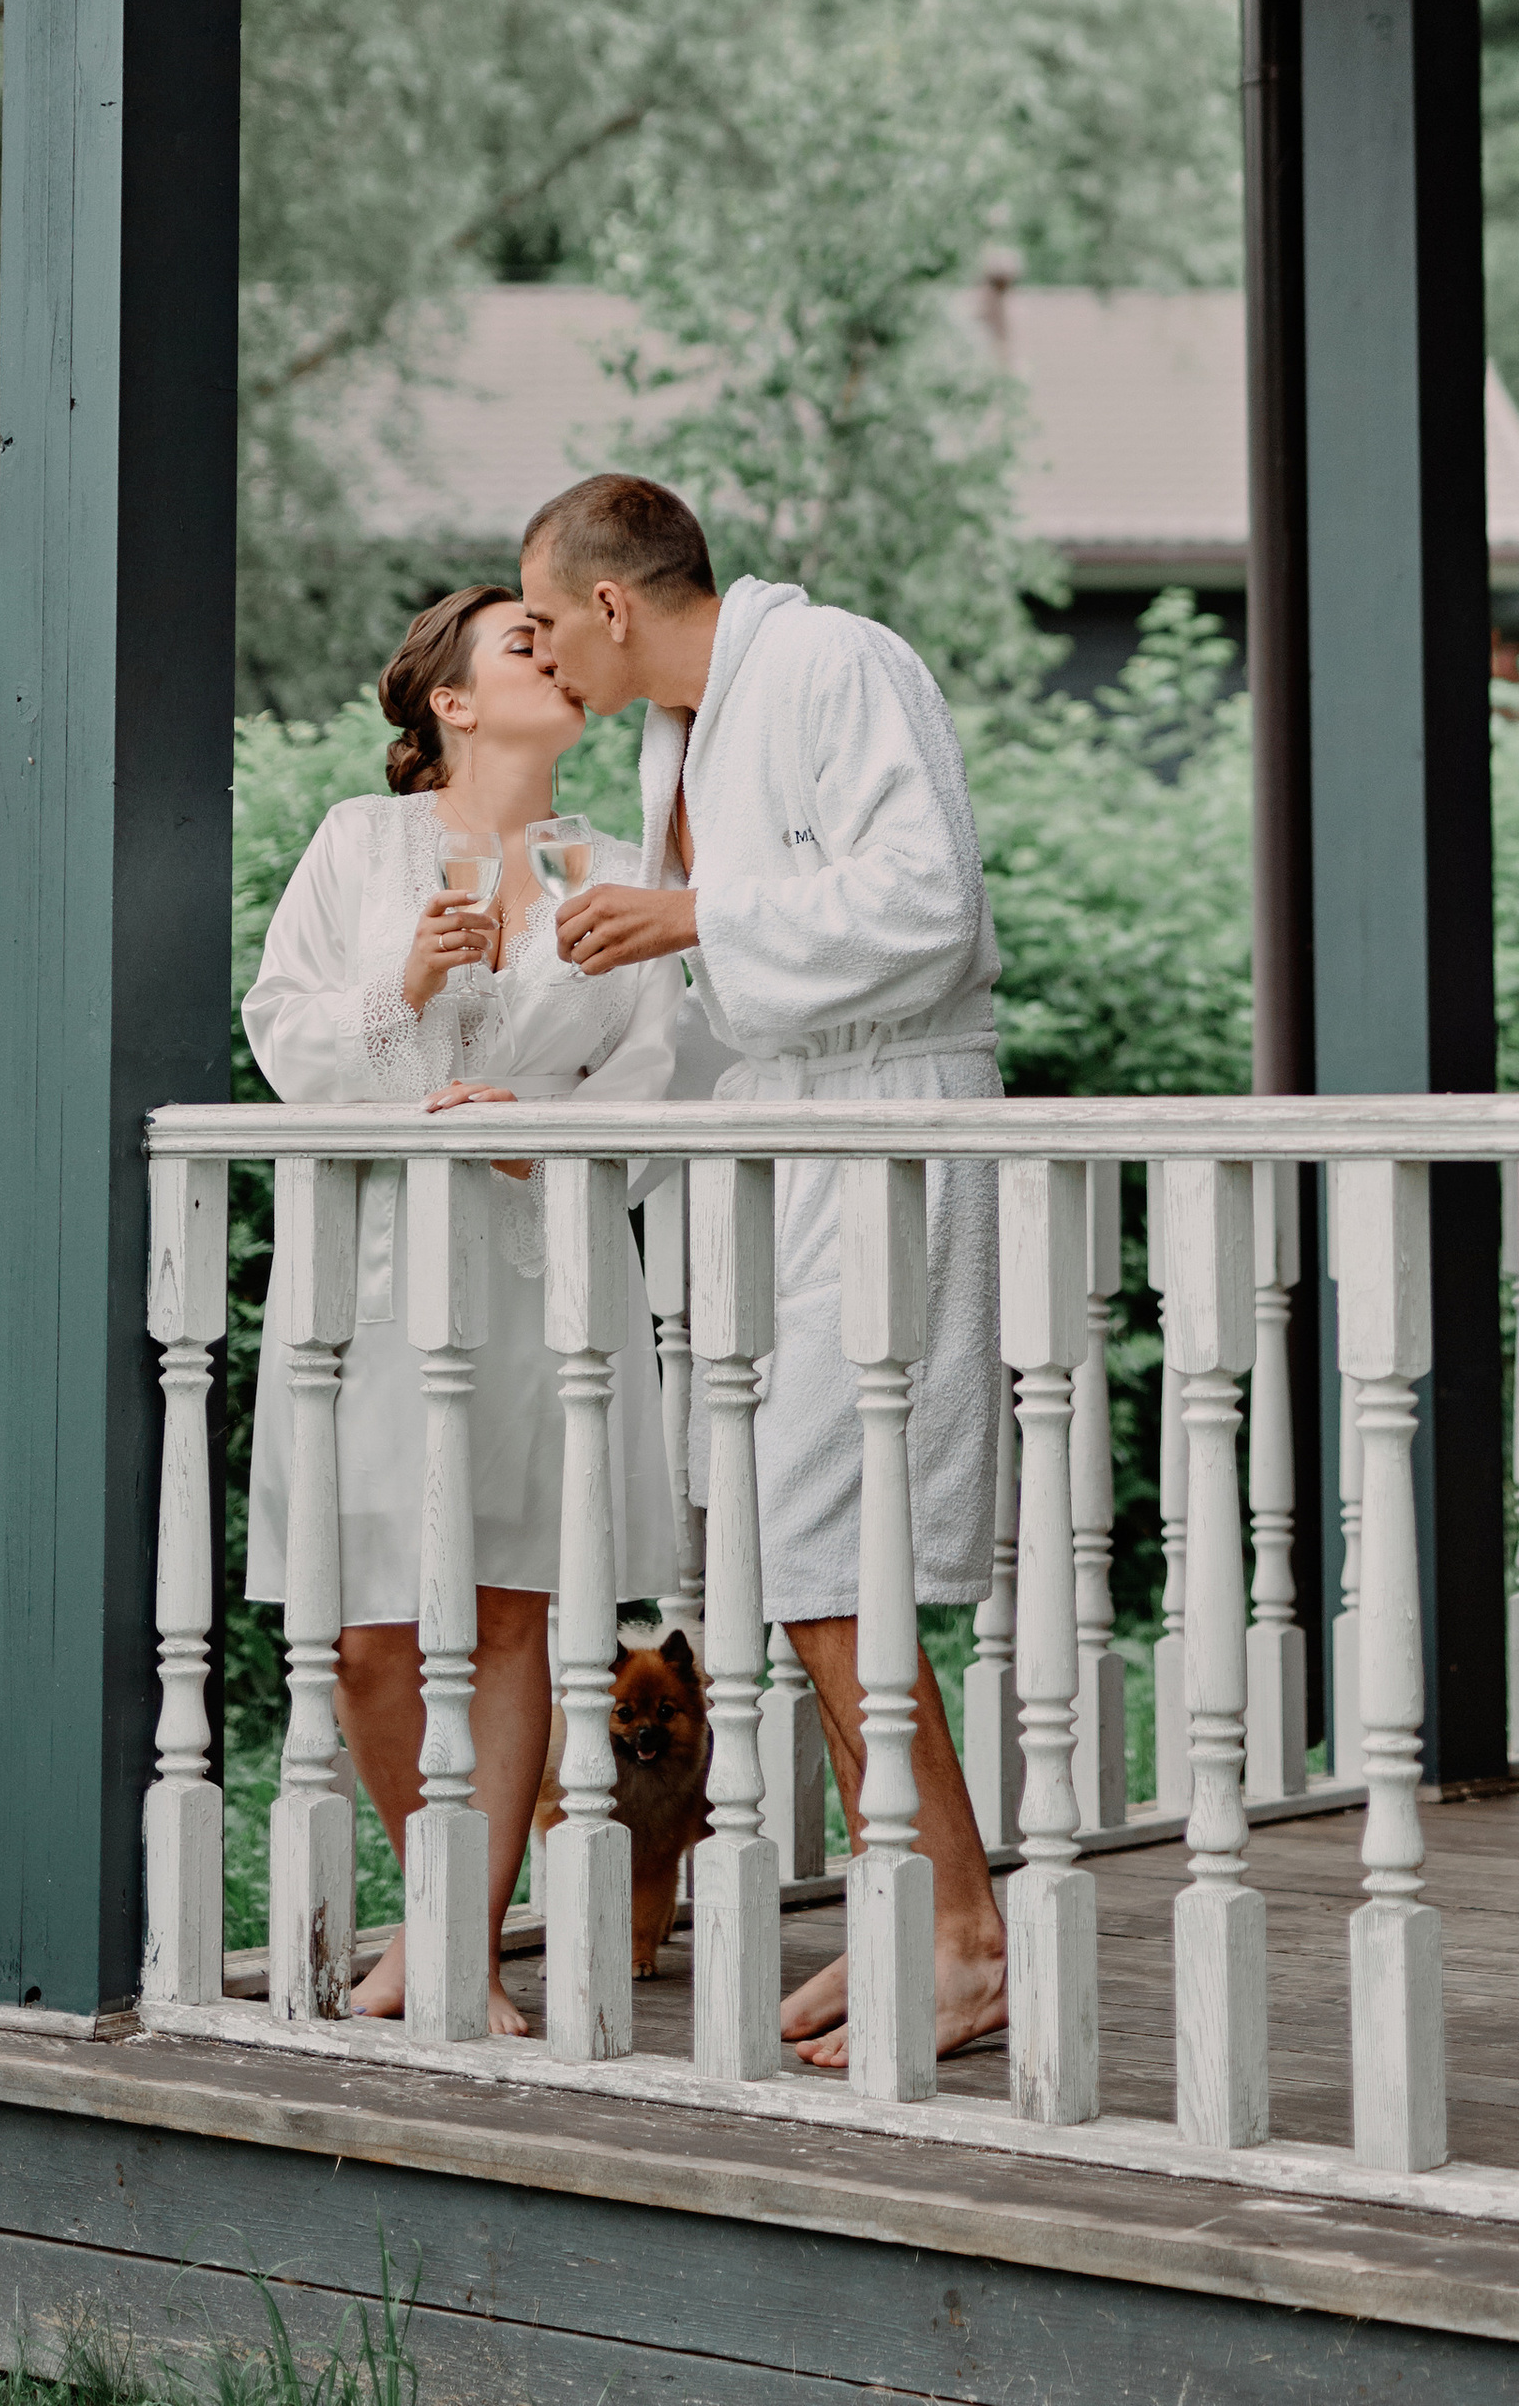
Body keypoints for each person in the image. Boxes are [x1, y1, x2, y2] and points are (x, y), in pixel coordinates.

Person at [517, 473, 1008, 2067]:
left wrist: (695, 913)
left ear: (611, 600)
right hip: (789, 1144)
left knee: (824, 1536)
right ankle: (934, 1918)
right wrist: (549, 1124)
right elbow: (705, 1024)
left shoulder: (834, 665)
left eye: (544, 622)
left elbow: (930, 903)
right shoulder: (684, 744)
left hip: (884, 1124)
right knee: (799, 1545)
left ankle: (959, 1934)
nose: (541, 661)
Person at [243, 586, 681, 2035]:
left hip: (540, 1269)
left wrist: (540, 1131)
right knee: (369, 1630)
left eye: (561, 638)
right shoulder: (358, 848)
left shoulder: (610, 863)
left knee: (512, 1617)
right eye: (520, 642)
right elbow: (282, 1030)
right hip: (378, 1273)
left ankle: (459, 1951)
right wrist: (407, 983)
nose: (553, 653)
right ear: (451, 698)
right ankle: (431, 1922)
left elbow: (668, 1063)